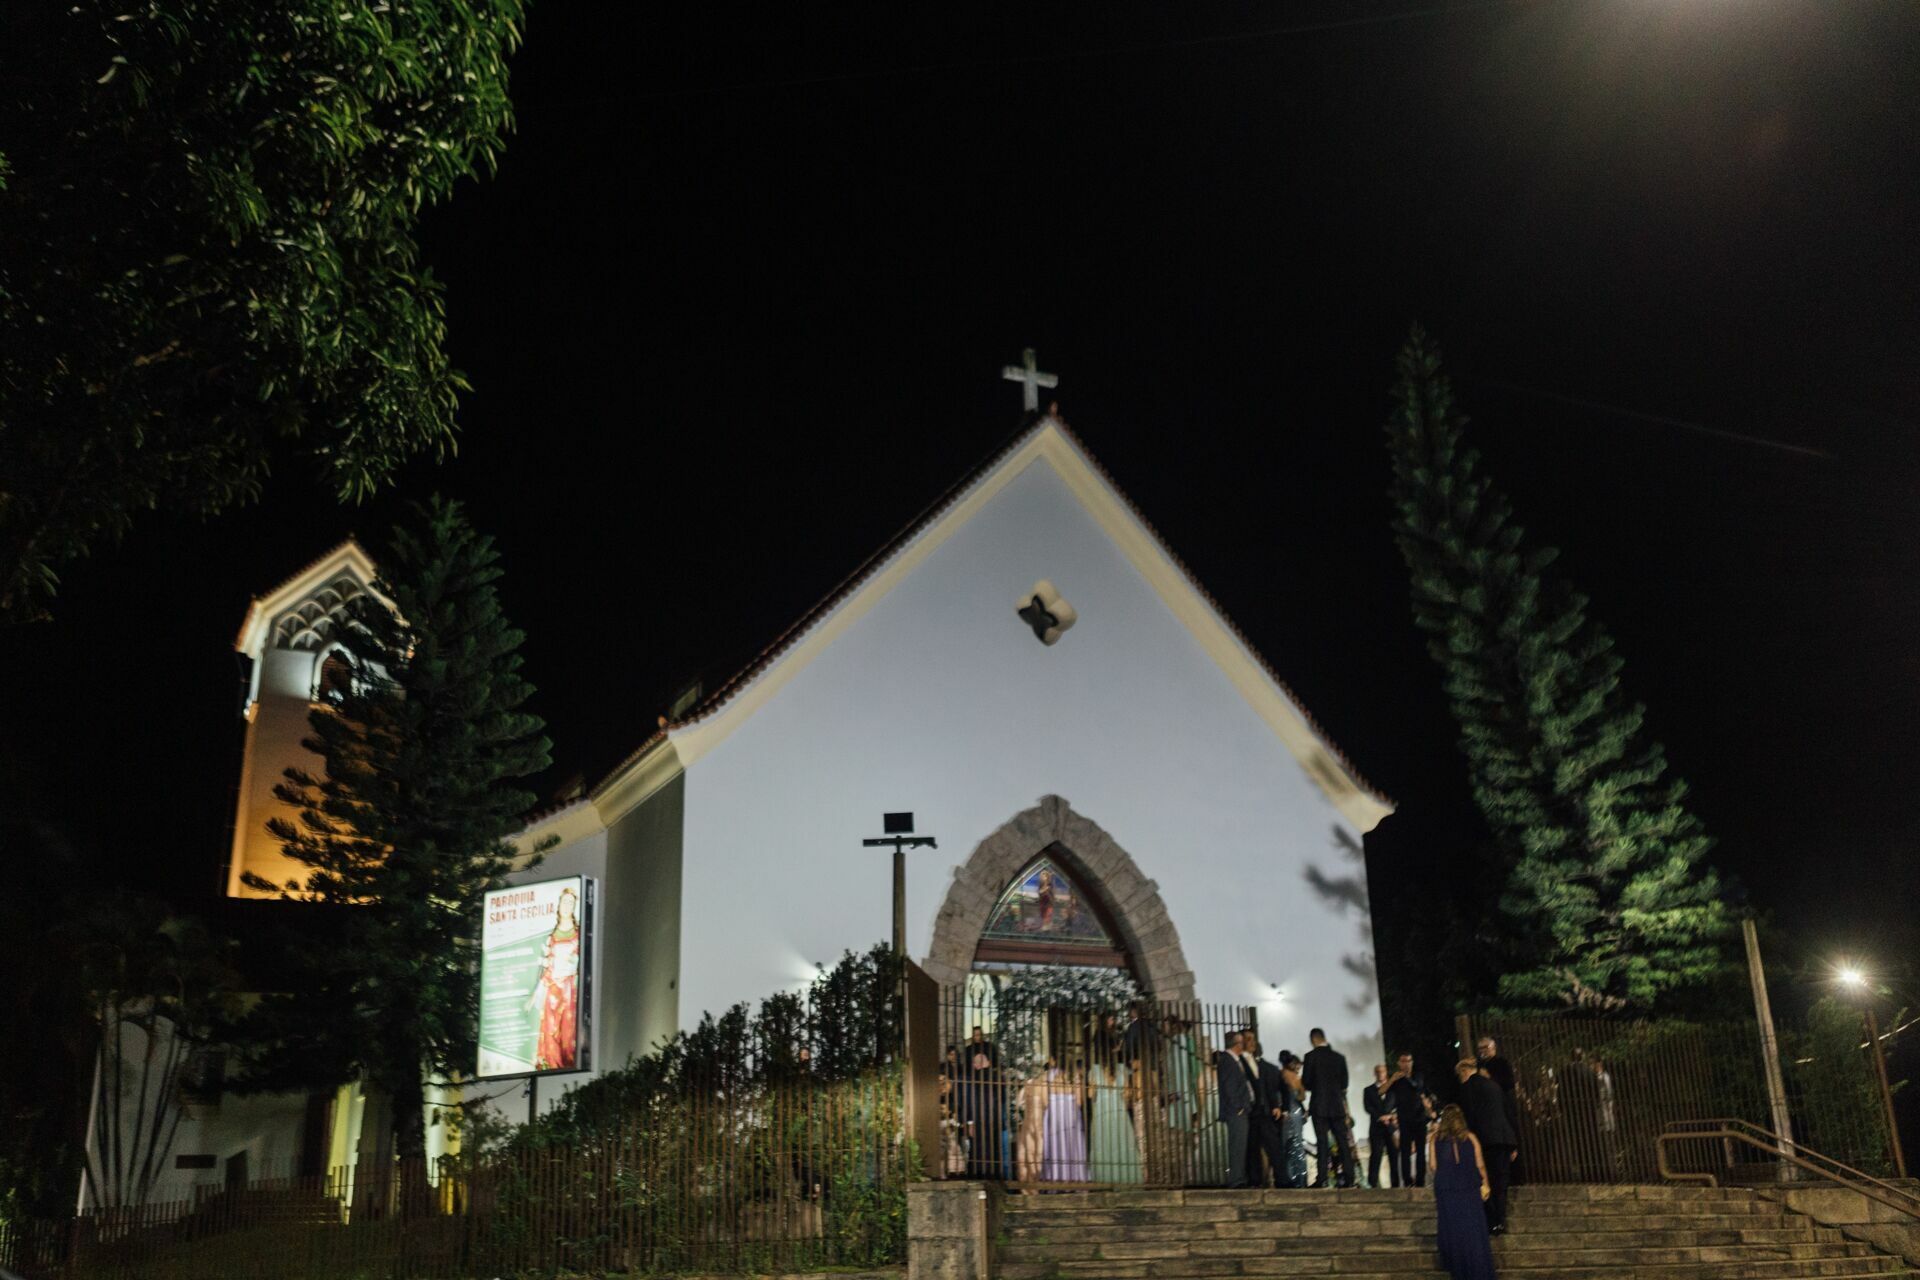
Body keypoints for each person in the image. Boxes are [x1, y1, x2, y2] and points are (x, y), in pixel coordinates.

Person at [1429, 1103, 1496, 1280]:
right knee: (1473, 1230)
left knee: (1453, 1230)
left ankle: (1458, 1269)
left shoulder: (1435, 1139)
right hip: (1469, 1188)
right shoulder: (1471, 1138)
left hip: (1447, 1189)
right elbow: (1480, 1165)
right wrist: (1486, 1185)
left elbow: (1433, 1166)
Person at [1457, 1058, 1518, 1235]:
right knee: (1501, 1183)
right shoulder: (1494, 1086)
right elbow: (1507, 1113)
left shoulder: (1467, 1088)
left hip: (1484, 1141)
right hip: (1504, 1139)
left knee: (1485, 1181)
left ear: (1464, 1071)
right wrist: (1513, 1143)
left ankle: (1491, 1221)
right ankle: (1500, 1220)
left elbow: (1468, 1118)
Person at [1300, 1028, 1356, 1188]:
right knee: (1343, 1143)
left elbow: (1306, 1083)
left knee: (1322, 1142)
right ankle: (1349, 1178)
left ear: (1313, 1040)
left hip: (1319, 1106)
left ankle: (1322, 1179)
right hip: (1337, 1106)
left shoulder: (1310, 1057)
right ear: (1324, 1038)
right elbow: (1344, 1084)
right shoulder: (1339, 1058)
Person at [1089, 1047, 1143, 1184]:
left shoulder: (1094, 1070)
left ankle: (1105, 1182)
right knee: (1121, 1145)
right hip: (1119, 1111)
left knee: (1104, 1147)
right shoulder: (1121, 1069)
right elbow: (1127, 1094)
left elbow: (1091, 1094)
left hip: (1102, 1112)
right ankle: (1125, 1181)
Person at [1213, 1030, 1257, 1188]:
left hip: (1239, 1109)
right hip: (1236, 1111)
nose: (1244, 1045)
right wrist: (1239, 1107)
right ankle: (1236, 1180)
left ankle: (1239, 1178)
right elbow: (1230, 1087)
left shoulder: (1232, 1060)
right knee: (1237, 1145)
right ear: (1236, 1044)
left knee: (1240, 1145)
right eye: (1241, 1042)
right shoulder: (1227, 1061)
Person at [960, 1026, 1004, 1179]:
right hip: (979, 1119)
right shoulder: (971, 1078)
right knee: (978, 1148)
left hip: (991, 1119)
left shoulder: (994, 1077)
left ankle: (993, 1174)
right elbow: (968, 1100)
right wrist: (969, 1121)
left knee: (992, 1147)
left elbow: (1000, 1097)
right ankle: (978, 1173)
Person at [1476, 1036, 1521, 1183]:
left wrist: (1488, 1077)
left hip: (1502, 1105)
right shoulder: (1478, 1065)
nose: (1483, 1051)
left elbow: (1508, 1083)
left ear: (1493, 1048)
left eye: (1485, 1048)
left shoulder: (1502, 1063)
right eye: (1480, 1048)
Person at [1386, 1052, 1431, 1188]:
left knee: (1420, 1152)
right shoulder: (1396, 1079)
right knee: (1405, 1152)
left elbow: (1417, 1086)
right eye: (1403, 1061)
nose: (1406, 1064)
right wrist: (1391, 1080)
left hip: (1419, 1119)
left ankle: (1420, 1181)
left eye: (1409, 1061)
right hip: (1404, 1120)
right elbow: (1381, 1091)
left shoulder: (1418, 1076)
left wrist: (1406, 1076)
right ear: (1399, 1063)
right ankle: (1407, 1181)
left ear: (1412, 1062)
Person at [1248, 1038, 1289, 1188]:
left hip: (1254, 1114)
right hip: (1269, 1114)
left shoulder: (1248, 1068)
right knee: (1274, 1149)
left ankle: (1255, 1180)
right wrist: (1283, 1108)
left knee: (1253, 1150)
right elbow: (1285, 1090)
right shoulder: (1272, 1069)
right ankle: (1282, 1179)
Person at [1041, 1058, 1088, 1182]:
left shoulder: (1047, 1076)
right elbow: (1079, 1102)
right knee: (1073, 1146)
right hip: (1071, 1114)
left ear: (1053, 1060)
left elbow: (1045, 1102)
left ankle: (1055, 1179)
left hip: (1054, 1115)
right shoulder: (1075, 1076)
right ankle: (1075, 1179)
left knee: (1055, 1147)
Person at [1275, 1050, 1310, 1187]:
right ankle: (1300, 1179)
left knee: (1287, 1146)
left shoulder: (1280, 1075)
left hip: (1287, 1113)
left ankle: (1290, 1178)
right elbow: (1302, 1096)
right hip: (1297, 1112)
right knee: (1297, 1144)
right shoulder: (1296, 1078)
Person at [1363, 1063, 1400, 1188]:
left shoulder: (1394, 1090)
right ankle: (1372, 1182)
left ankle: (1395, 1183)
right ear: (1375, 1074)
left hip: (1391, 1127)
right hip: (1377, 1127)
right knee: (1376, 1155)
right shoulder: (1368, 1090)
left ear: (1386, 1073)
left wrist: (1390, 1116)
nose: (1380, 1074)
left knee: (1394, 1155)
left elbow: (1398, 1105)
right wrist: (1380, 1117)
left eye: (1382, 1071)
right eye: (1378, 1071)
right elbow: (1368, 1107)